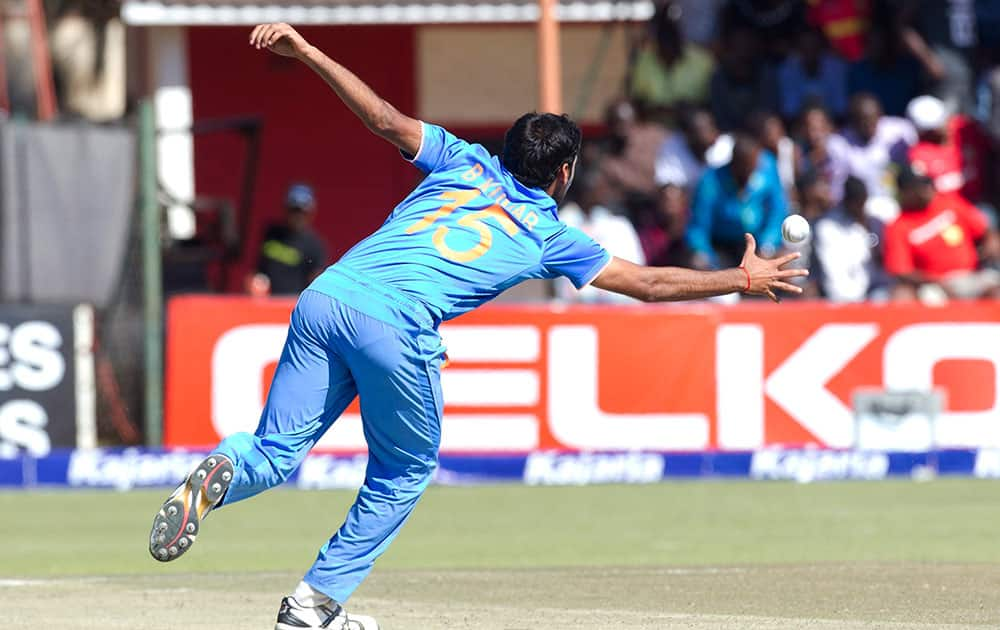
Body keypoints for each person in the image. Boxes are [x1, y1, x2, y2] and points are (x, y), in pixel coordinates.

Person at [146, 22, 806, 630]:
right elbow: (650, 283)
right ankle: (314, 605)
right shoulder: (549, 234)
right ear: (566, 172)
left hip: (328, 296)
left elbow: (379, 118)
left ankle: (224, 468)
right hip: (395, 327)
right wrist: (742, 279)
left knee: (273, 451)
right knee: (403, 472)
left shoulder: (461, 159)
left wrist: (309, 51)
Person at [884, 165, 1000, 301]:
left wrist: (991, 242)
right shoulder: (898, 226)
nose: (927, 189)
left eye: (927, 183)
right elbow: (901, 271)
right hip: (933, 286)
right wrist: (937, 281)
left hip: (971, 275)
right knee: (904, 296)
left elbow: (986, 231)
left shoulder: (949, 204)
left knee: (996, 292)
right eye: (919, 187)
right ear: (905, 192)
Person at [686, 134, 789, 270]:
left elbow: (777, 210)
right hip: (721, 245)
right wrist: (705, 255)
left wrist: (768, 245)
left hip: (758, 243)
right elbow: (699, 224)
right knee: (699, 265)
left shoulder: (766, 169)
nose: (750, 173)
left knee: (784, 264)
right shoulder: (711, 182)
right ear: (734, 164)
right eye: (746, 167)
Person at [556, 169, 646, 303]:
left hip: (616, 307)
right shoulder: (562, 222)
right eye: (597, 186)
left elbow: (636, 268)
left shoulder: (618, 224)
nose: (604, 192)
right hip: (572, 309)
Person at [627, 1, 715, 121]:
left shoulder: (703, 61)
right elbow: (637, 102)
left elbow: (711, 104)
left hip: (691, 131)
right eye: (663, 30)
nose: (668, 36)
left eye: (672, 30)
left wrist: (686, 110)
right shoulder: (643, 62)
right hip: (653, 130)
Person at [839, 93, 917, 221]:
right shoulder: (840, 144)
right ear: (852, 122)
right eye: (862, 120)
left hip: (901, 198)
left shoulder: (901, 130)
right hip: (867, 207)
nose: (868, 124)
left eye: (872, 118)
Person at [811, 175, 888, 301]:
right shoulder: (827, 226)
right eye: (857, 203)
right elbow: (831, 269)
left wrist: (867, 228)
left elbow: (882, 262)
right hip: (837, 295)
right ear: (847, 201)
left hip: (872, 291)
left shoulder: (873, 224)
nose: (860, 207)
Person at [906, 94, 991, 204]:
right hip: (954, 210)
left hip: (985, 194)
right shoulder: (918, 156)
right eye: (934, 128)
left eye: (943, 121)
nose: (941, 128)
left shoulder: (965, 128)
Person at [250, 183, 328, 295]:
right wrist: (253, 282)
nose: (298, 216)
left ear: (310, 213)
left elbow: (316, 284)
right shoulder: (271, 232)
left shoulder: (315, 245)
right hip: (265, 301)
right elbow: (257, 268)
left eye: (302, 211)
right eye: (294, 210)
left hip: (291, 305)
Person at [654, 107, 733, 192]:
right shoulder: (672, 147)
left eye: (710, 128)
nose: (708, 134)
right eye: (702, 130)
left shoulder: (728, 147)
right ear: (688, 134)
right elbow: (666, 185)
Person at [777, 27, 848, 120]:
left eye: (813, 45)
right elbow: (789, 110)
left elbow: (840, 108)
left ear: (822, 47)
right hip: (798, 125)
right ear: (797, 49)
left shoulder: (836, 67)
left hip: (833, 123)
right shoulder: (786, 70)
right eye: (804, 46)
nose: (809, 50)